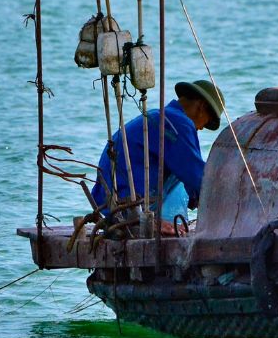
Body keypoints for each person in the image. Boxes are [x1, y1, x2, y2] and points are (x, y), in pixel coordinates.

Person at [90, 80, 225, 231]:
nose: (200, 128)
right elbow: (198, 177)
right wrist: (224, 204)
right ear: (202, 107)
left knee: (179, 166)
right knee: (191, 170)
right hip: (128, 204)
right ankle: (151, 221)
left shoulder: (159, 116)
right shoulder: (179, 123)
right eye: (206, 123)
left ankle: (154, 219)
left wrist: (196, 198)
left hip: (108, 203)